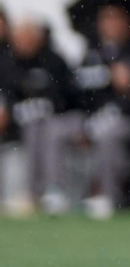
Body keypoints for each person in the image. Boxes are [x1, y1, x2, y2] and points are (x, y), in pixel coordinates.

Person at [68, 2, 130, 217]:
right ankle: (57, 194)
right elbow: (75, 91)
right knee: (56, 130)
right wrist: (107, 77)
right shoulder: (91, 52)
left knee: (108, 135)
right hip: (90, 116)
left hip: (126, 120)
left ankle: (107, 196)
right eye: (106, 19)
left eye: (116, 19)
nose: (110, 24)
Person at [5, 16, 77, 217]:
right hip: (19, 128)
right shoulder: (8, 63)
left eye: (27, 38)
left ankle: (52, 190)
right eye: (19, 39)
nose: (23, 43)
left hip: (61, 120)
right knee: (33, 128)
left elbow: (66, 100)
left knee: (46, 130)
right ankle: (31, 192)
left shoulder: (53, 61)